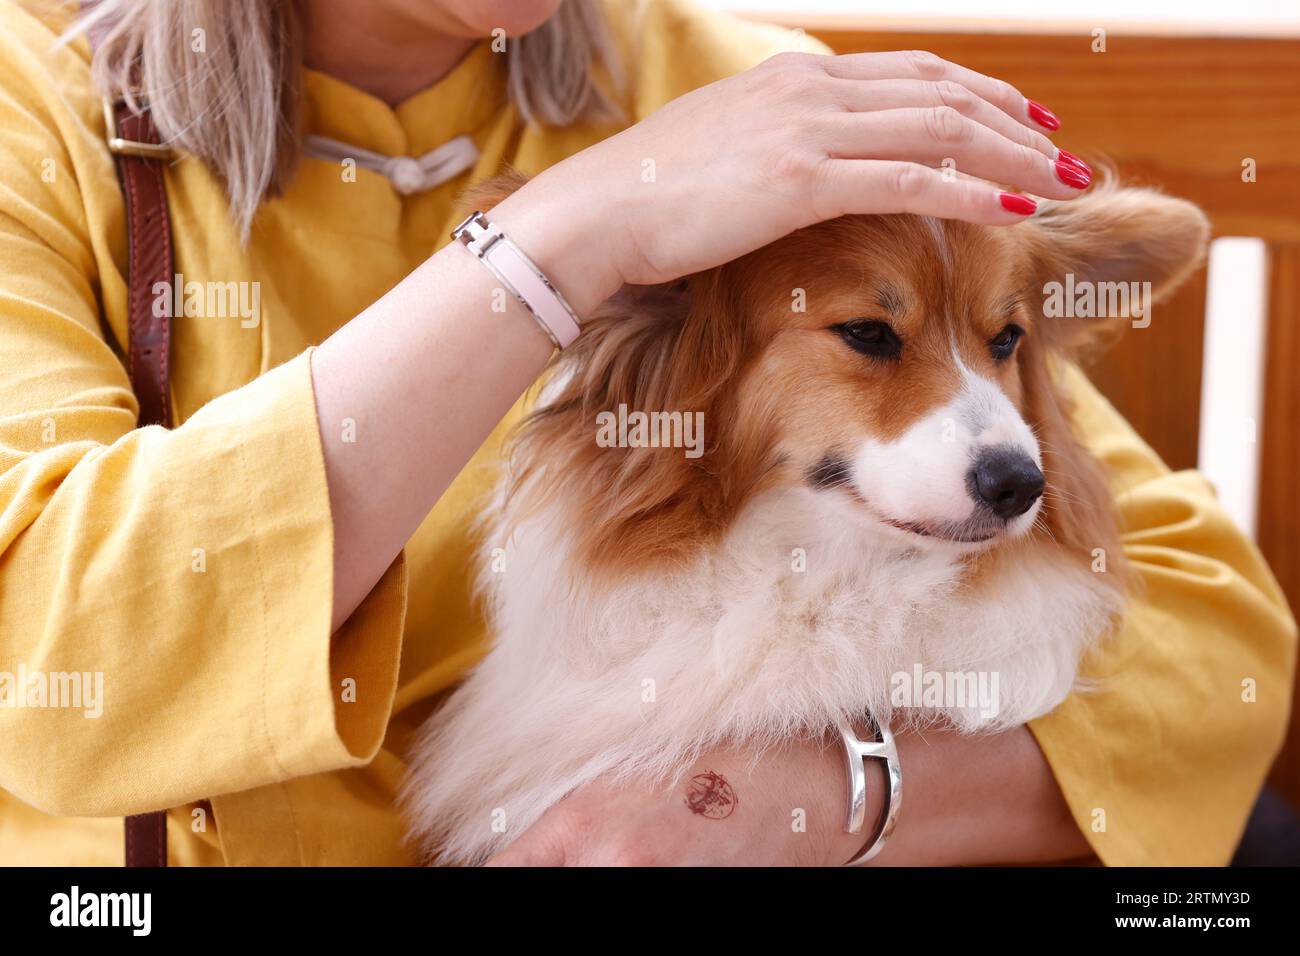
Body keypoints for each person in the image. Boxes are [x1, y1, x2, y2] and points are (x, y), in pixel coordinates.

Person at [0, 0, 1292, 866]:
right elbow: (47, 674)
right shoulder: (28, 101)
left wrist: (759, 807)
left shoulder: (741, 86)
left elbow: (1198, 614)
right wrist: (560, 245)